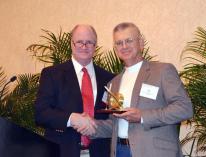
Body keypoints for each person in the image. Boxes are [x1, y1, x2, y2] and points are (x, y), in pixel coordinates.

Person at [82, 22, 193, 157]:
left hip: (155, 152)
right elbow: (114, 124)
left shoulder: (163, 71)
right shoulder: (113, 83)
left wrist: (142, 116)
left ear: (140, 42)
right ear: (115, 49)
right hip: (120, 151)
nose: (124, 46)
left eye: (129, 40)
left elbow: (184, 108)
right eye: (119, 43)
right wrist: (91, 125)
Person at [34, 24, 114, 157]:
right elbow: (41, 113)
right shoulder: (52, 74)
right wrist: (71, 118)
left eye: (89, 42)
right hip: (63, 151)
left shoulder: (109, 78)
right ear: (71, 44)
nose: (84, 46)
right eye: (79, 42)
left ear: (95, 46)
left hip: (100, 152)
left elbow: (113, 119)